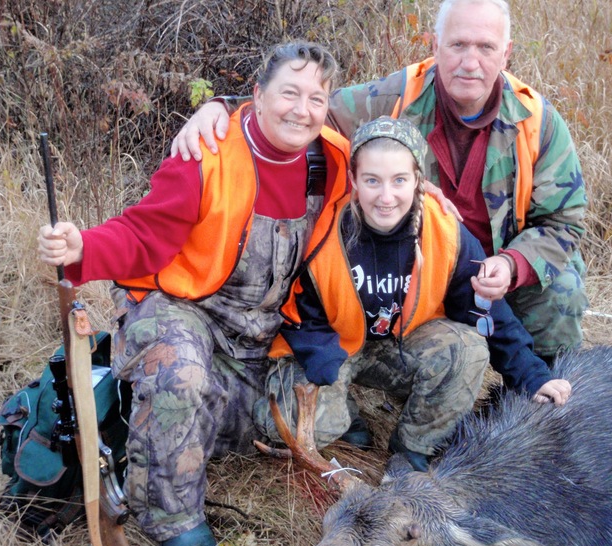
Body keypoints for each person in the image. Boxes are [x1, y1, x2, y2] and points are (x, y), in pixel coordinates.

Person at [37, 41, 351, 546]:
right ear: (256, 95)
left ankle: (172, 422)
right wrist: (82, 247)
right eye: (288, 93)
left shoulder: (333, 158)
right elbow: (141, 230)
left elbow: (394, 141)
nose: (302, 109)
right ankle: (169, 514)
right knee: (181, 372)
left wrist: (425, 194)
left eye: (316, 98)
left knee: (329, 417)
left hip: (260, 331)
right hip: (182, 305)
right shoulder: (208, 151)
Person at [171, 0, 589, 365]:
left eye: (486, 47)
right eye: (458, 45)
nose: (470, 61)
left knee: (563, 287)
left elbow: (565, 222)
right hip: (412, 272)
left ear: (507, 53)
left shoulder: (537, 123)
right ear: (435, 46)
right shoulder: (393, 97)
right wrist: (224, 109)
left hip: (492, 270)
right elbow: (304, 114)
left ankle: (542, 389)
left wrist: (513, 266)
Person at [257, 116, 571, 472]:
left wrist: (532, 375)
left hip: (400, 344)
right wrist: (325, 364)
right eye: (372, 181)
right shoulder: (325, 227)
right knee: (281, 425)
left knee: (467, 349)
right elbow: (298, 310)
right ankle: (346, 415)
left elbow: (486, 310)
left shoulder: (445, 232)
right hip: (333, 346)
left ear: (419, 182)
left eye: (400, 180)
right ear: (354, 181)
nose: (386, 197)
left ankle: (413, 451)